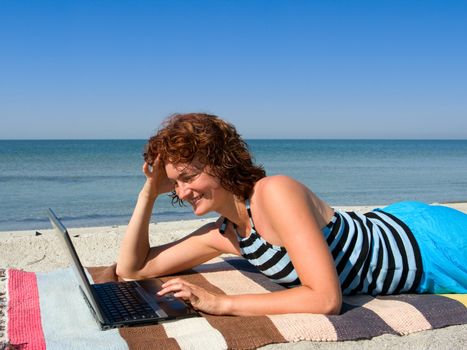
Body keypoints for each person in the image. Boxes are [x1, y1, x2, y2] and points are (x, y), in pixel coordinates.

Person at [116, 113, 467, 316]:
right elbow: (133, 269)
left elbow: (326, 299)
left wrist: (221, 303)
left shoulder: (274, 193)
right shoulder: (226, 234)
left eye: (189, 177)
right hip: (402, 233)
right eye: (175, 184)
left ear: (220, 163)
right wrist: (147, 193)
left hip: (430, 244)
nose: (182, 192)